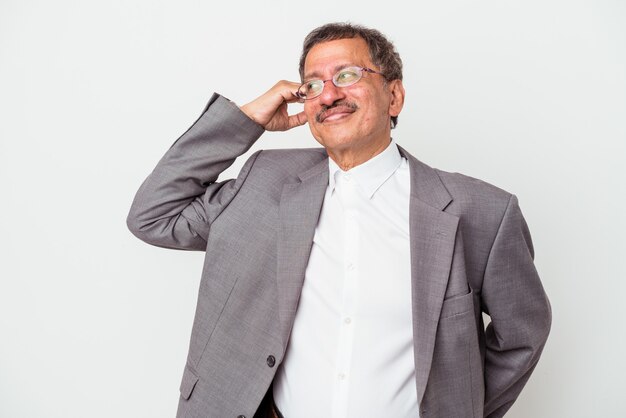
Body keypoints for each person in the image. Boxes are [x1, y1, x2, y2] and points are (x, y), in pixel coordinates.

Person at [127, 22, 551, 418]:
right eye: (312, 85)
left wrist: (453, 406)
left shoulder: (481, 211)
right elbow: (154, 214)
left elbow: (521, 337)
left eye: (347, 76)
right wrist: (248, 119)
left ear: (394, 96)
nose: (328, 95)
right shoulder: (263, 182)